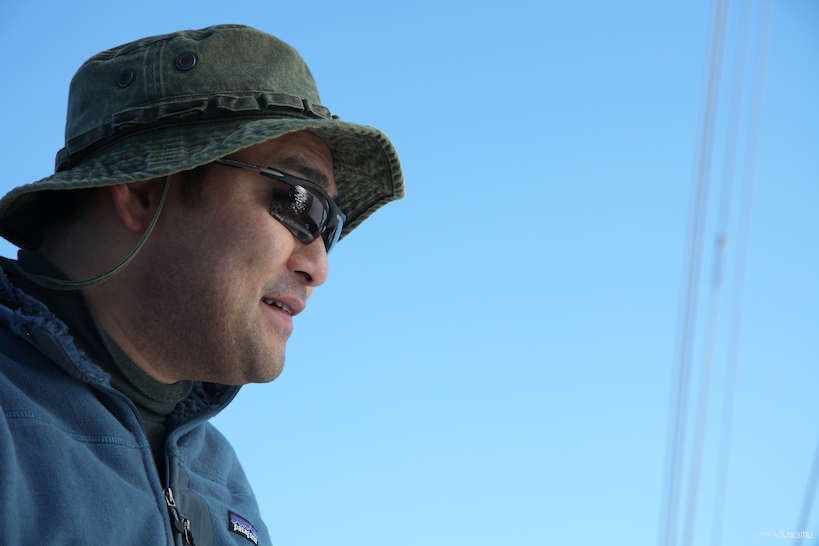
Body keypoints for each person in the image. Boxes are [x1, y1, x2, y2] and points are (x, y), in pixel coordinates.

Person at [0, 25, 403, 545]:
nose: (318, 267)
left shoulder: (223, 480)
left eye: (330, 227)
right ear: (145, 190)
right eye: (301, 203)